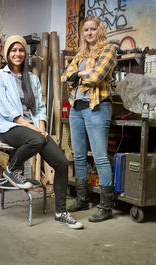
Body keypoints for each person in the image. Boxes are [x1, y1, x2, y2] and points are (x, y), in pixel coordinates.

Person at [0, 35, 83, 229]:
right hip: (9, 127)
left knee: (62, 162)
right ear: (7, 53)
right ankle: (12, 168)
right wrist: (31, 127)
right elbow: (6, 109)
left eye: (21, 50)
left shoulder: (32, 79)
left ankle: (60, 212)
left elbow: (41, 107)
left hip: (33, 129)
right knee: (36, 140)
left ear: (25, 53)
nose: (17, 54)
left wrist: (41, 127)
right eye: (13, 50)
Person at [62, 15, 117, 222]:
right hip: (77, 108)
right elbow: (65, 76)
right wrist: (82, 72)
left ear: (99, 30)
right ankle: (83, 198)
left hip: (97, 108)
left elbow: (97, 77)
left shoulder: (109, 50)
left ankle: (106, 206)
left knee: (100, 157)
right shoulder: (81, 53)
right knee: (79, 156)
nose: (89, 33)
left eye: (93, 29)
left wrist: (80, 74)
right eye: (86, 30)